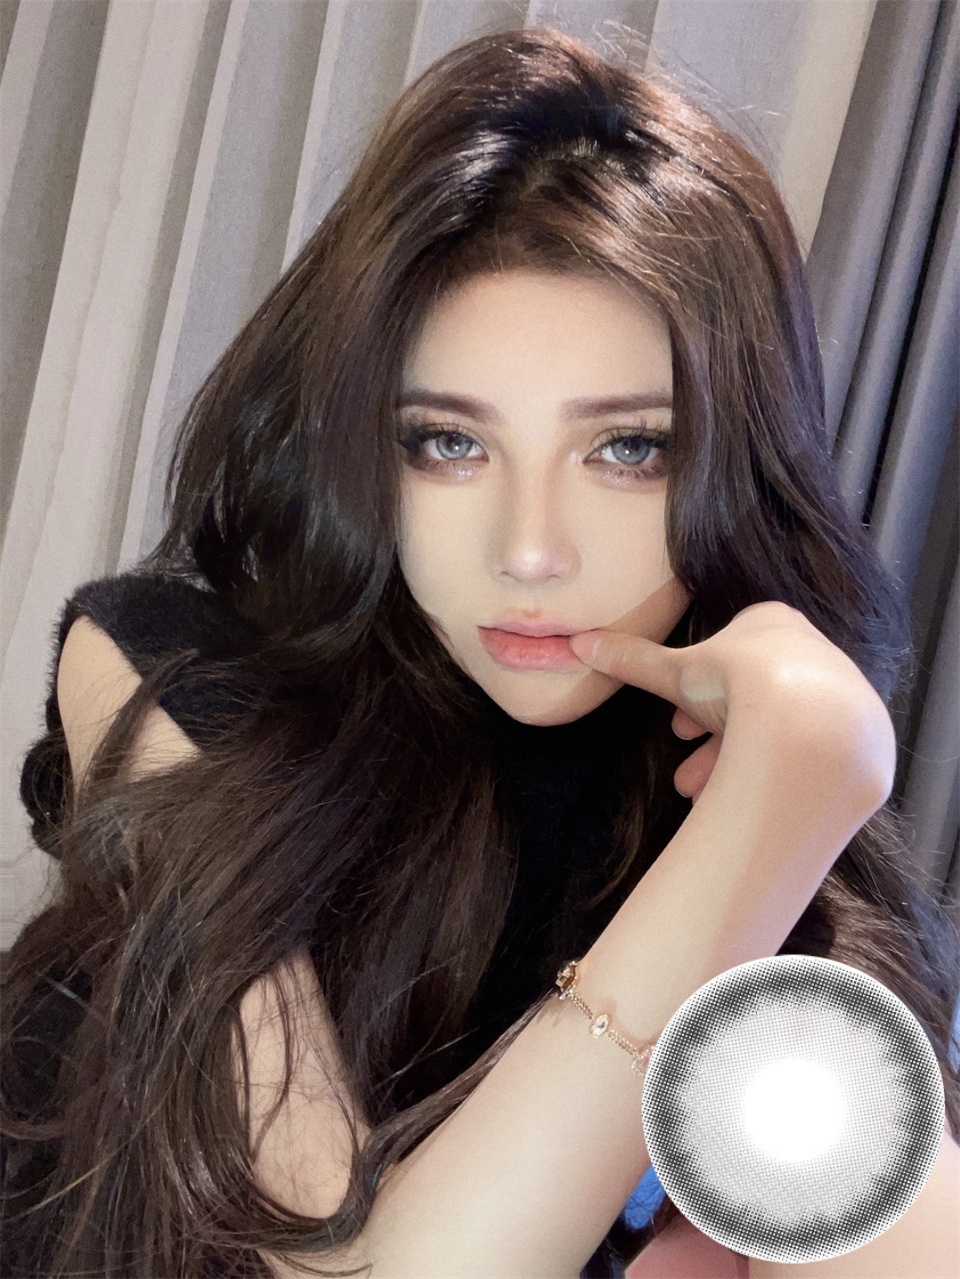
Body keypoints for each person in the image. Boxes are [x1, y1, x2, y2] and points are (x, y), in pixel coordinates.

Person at [2, 25, 958, 1279]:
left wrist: (782, 813)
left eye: (629, 449)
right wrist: (800, 784)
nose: (531, 552)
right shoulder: (177, 673)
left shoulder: (767, 844)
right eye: (448, 443)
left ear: (738, 467)